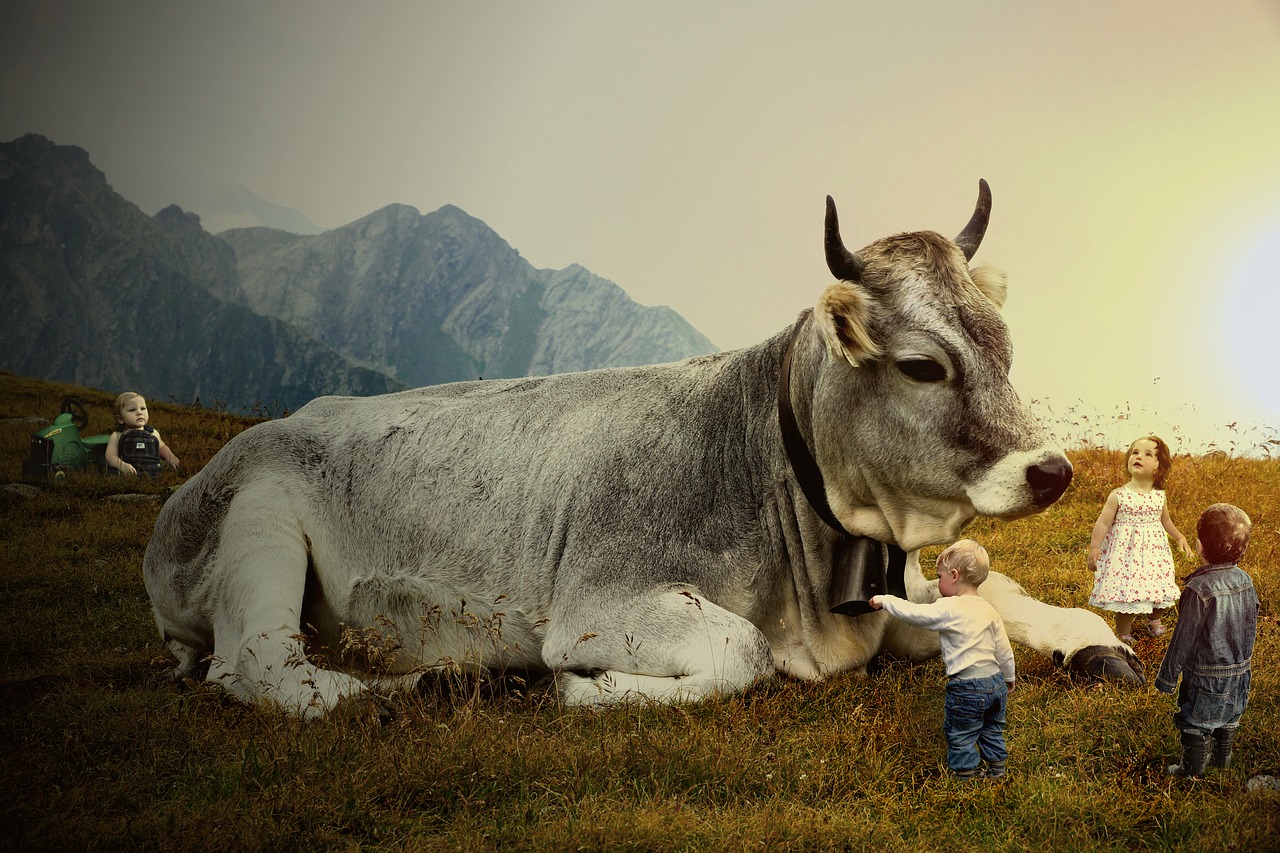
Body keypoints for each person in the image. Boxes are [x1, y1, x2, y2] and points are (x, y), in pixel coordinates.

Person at [869, 539, 1015, 780]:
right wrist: (1008, 676)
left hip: (967, 687)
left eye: (940, 576)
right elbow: (1003, 649)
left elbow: (915, 614)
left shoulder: (949, 608)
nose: (938, 582)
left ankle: (965, 776)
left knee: (961, 733)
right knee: (992, 729)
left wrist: (887, 600)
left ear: (954, 575)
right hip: (995, 684)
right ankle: (997, 770)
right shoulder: (988, 609)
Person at [1156, 504, 1259, 778]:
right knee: (1229, 718)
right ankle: (1222, 759)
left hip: (1206, 674)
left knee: (1194, 721)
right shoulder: (1246, 581)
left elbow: (1183, 638)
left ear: (1200, 546)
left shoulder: (1199, 589)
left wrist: (1167, 678)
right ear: (1243, 548)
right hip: (1240, 671)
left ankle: (1191, 771)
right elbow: (1251, 624)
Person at [1087, 435, 1195, 642]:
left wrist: (1179, 536)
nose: (1138, 457)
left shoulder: (1159, 495)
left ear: (1159, 467)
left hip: (1154, 553)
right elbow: (1103, 523)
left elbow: (1166, 521)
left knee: (1158, 587)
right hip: (1127, 555)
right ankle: (1123, 632)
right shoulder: (1118, 495)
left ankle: (1153, 619)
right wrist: (1094, 547)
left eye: (1148, 454)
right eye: (1135, 452)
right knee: (1128, 593)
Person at [105, 392, 180, 477]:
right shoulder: (117, 435)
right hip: (128, 472)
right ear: (120, 419)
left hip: (153, 471)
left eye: (143, 408)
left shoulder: (153, 433)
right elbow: (110, 456)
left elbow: (162, 448)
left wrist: (171, 457)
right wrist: (122, 466)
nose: (139, 413)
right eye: (132, 410)